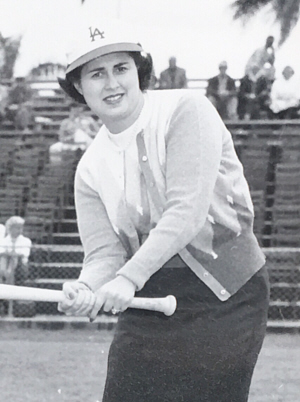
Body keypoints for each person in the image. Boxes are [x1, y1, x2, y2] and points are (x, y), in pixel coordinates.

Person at [57, 17, 269, 402]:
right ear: (78, 87)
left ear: (139, 70)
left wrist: (125, 279)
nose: (112, 83)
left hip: (225, 293)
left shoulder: (186, 110)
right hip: (147, 296)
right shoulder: (88, 168)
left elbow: (187, 211)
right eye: (96, 74)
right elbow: (105, 254)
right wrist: (87, 287)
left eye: (121, 68)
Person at [0, 216, 32, 285]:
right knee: (4, 258)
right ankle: (7, 277)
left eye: (21, 228)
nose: (20, 231)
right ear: (10, 228)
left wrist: (11, 254)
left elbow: (24, 254)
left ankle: (6, 280)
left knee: (13, 258)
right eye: (17, 228)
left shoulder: (26, 241)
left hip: (20, 267)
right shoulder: (3, 241)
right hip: (5, 265)